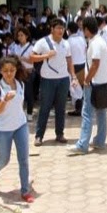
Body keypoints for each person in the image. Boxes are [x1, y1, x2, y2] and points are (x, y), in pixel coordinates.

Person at [0, 56, 34, 203]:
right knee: (3, 159)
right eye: (5, 71)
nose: (9, 73)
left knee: (24, 159)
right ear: (0, 71)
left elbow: (20, 105)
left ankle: (25, 191)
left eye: (12, 70)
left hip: (20, 125)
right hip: (3, 129)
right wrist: (5, 100)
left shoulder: (20, 84)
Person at [68, 17, 107, 155]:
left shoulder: (95, 43)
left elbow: (95, 64)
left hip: (94, 83)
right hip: (103, 82)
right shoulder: (100, 41)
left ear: (87, 29)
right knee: (101, 112)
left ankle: (83, 144)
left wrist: (87, 80)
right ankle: (99, 141)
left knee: (87, 113)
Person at [32, 18, 76, 146]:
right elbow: (32, 57)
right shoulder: (42, 42)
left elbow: (69, 61)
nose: (60, 31)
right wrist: (45, 56)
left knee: (61, 108)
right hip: (47, 80)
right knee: (44, 108)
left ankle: (60, 134)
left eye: (62, 28)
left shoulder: (66, 43)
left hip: (63, 80)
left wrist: (73, 76)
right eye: (58, 28)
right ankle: (39, 136)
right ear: (52, 29)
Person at [11, 27, 35, 121]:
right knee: (18, 94)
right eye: (18, 35)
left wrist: (21, 58)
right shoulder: (16, 47)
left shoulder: (31, 47)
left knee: (29, 93)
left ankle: (29, 113)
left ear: (26, 36)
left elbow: (32, 61)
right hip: (18, 73)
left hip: (28, 72)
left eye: (22, 35)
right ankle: (19, 113)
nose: (20, 37)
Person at [67, 21, 87, 116]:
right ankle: (81, 107)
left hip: (73, 66)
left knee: (75, 88)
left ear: (68, 31)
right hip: (82, 64)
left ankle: (78, 109)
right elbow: (85, 50)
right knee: (80, 87)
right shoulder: (82, 39)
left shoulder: (68, 42)